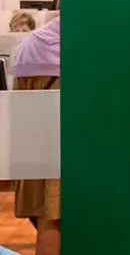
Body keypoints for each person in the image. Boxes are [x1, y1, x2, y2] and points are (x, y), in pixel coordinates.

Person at [11, 17, 61, 254]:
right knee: (52, 217)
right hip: (58, 141)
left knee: (44, 213)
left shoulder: (31, 44)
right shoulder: (75, 43)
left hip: (30, 141)